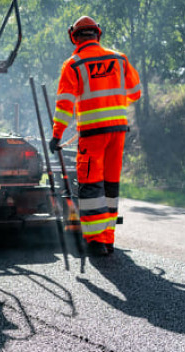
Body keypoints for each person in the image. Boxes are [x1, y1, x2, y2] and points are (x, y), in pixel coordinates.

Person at [49, 16, 142, 257]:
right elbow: (135, 92)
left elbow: (65, 105)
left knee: (91, 189)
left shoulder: (74, 64)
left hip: (92, 136)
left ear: (74, 37)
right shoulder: (119, 59)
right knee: (110, 186)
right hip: (118, 133)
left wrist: (56, 135)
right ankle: (108, 239)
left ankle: (95, 241)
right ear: (97, 34)